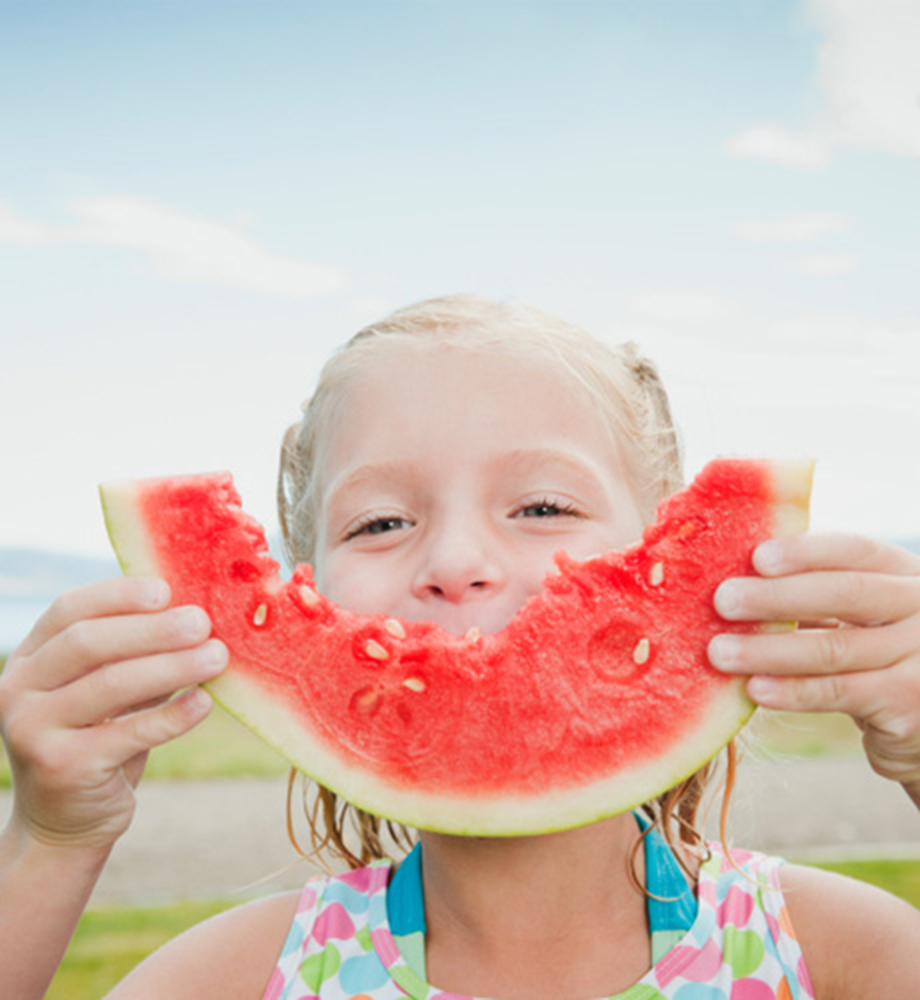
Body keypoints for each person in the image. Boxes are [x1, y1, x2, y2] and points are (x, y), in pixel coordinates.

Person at [1, 294, 919, 999]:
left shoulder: (828, 950)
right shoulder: (245, 976)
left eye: (543, 508)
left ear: (662, 546)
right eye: (382, 520)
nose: (456, 562)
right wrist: (50, 841)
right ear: (305, 586)